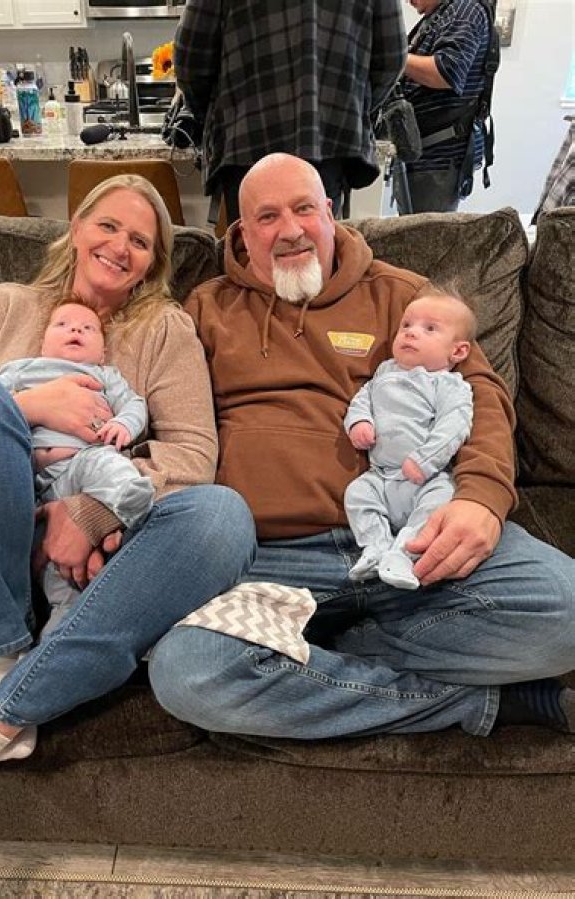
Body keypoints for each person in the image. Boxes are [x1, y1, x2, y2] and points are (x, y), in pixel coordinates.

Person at [0, 174, 256, 861]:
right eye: (108, 226)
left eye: (140, 241)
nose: (120, 246)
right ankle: (0, 655)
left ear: (153, 262)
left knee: (222, 516)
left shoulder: (163, 328)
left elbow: (193, 454)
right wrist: (31, 407)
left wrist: (87, 510)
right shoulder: (0, 304)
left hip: (103, 540)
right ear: (76, 228)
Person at [148, 152, 574, 746]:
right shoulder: (205, 309)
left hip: (411, 535)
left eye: (304, 208)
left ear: (330, 211)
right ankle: (476, 699)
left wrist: (480, 497)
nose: (291, 230)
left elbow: (480, 395)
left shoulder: (403, 296)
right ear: (241, 232)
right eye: (267, 217)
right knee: (189, 673)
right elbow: (166, 420)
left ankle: (325, 653)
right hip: (269, 560)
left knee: (565, 610)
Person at [0, 298, 155, 631]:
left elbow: (134, 404)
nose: (75, 330)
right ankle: (40, 632)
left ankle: (129, 496)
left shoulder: (104, 375)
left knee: (107, 465)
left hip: (84, 458)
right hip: (32, 480)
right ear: (43, 343)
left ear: (102, 352)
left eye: (88, 328)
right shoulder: (22, 369)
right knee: (52, 566)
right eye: (63, 325)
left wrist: (124, 424)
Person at [173, 0, 407, 224]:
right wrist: (350, 109)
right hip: (330, 141)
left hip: (246, 139)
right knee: (319, 246)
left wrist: (215, 117)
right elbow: (392, 57)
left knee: (253, 245)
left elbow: (191, 57)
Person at [344, 293, 475, 590]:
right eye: (406, 325)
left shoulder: (449, 385)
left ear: (458, 351)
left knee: (439, 504)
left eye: (430, 328)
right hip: (380, 475)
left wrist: (425, 460)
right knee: (356, 495)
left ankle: (404, 554)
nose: (411, 332)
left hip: (428, 477)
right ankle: (376, 547)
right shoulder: (384, 372)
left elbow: (454, 426)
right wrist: (359, 421)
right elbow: (363, 398)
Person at [397, 0, 495, 213]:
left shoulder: (465, 11)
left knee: (427, 232)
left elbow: (446, 72)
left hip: (438, 158)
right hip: (425, 155)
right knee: (412, 229)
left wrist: (394, 57)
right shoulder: (443, 13)